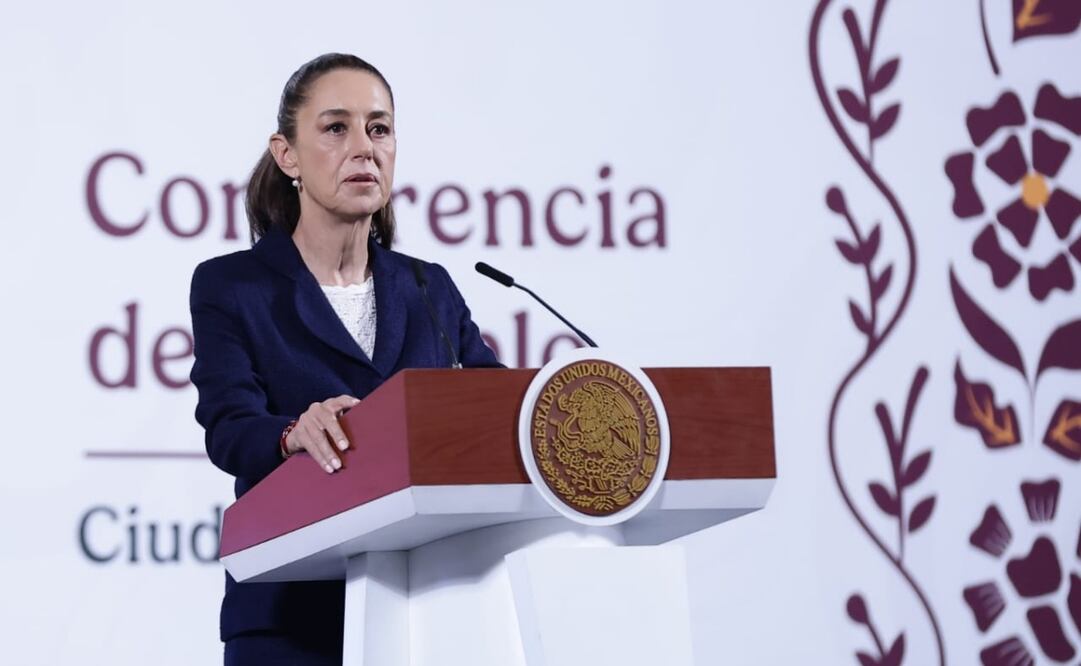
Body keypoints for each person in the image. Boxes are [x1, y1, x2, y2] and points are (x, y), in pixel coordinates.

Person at [188, 53, 500, 665]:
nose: (364, 147)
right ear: (288, 156)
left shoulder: (428, 287)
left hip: (432, 613)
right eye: (336, 128)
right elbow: (229, 427)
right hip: (292, 611)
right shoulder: (234, 286)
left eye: (378, 128)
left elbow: (491, 408)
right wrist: (289, 434)